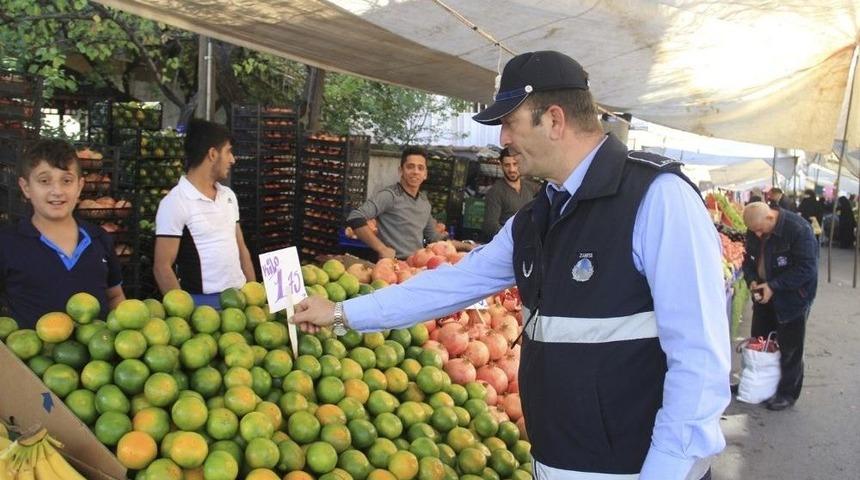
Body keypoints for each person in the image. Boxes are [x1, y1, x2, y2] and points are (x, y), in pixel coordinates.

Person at [295, 51, 730, 480]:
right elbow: (454, 283)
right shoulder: (538, 217)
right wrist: (340, 313)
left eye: (510, 123)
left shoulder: (657, 198)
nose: (503, 139)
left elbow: (700, 358)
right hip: (554, 460)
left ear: (554, 120)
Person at [0, 139, 125, 328]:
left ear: (80, 186)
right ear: (26, 188)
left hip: (98, 353)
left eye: (66, 181)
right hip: (27, 355)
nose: (57, 191)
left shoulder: (99, 238)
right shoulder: (7, 244)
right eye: (44, 181)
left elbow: (115, 295)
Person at [153, 119, 256, 307]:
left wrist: (255, 295)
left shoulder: (228, 196)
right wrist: (185, 313)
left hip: (241, 300)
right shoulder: (175, 203)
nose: (233, 159)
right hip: (203, 305)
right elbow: (162, 267)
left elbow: (242, 249)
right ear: (212, 154)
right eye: (228, 151)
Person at [741, 202, 818, 411]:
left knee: (790, 347)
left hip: (792, 298)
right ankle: (761, 383)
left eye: (759, 229)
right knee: (761, 341)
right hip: (764, 296)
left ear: (770, 218)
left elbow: (806, 269)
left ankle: (787, 393)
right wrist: (752, 281)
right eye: (753, 231)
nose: (756, 234)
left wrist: (774, 286)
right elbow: (747, 260)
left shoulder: (798, 229)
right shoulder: (754, 230)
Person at [346, 146, 473, 259]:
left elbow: (435, 239)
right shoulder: (389, 195)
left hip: (416, 265)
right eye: (410, 166)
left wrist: (466, 246)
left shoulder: (424, 202)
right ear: (401, 170)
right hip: (392, 266)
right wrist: (381, 249)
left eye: (420, 168)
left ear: (425, 174)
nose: (415, 171)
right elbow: (355, 217)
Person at [480, 148, 541, 240]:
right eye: (507, 165)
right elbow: (490, 226)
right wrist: (512, 240)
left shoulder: (530, 187)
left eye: (515, 164)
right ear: (501, 166)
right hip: (508, 244)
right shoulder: (496, 191)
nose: (512, 169)